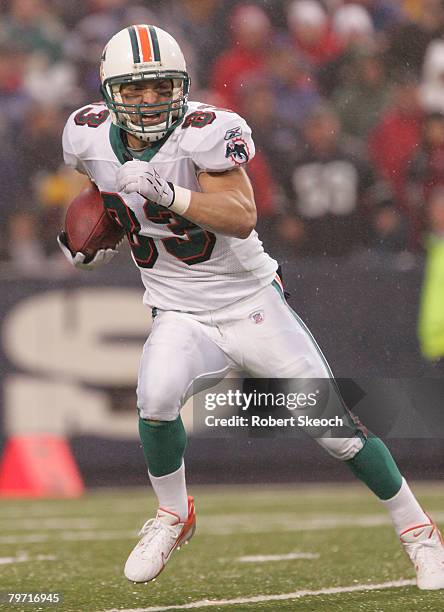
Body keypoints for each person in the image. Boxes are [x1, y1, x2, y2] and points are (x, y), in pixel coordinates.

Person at [57, 24, 444, 589]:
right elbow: (97, 194)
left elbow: (241, 215)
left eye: (161, 87)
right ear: (109, 91)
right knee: (155, 394)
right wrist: (88, 238)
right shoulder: (85, 135)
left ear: (181, 88)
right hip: (179, 310)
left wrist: (166, 194)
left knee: (334, 427)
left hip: (250, 302)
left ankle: (419, 532)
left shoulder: (207, 131)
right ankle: (173, 514)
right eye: (136, 89)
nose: (148, 100)